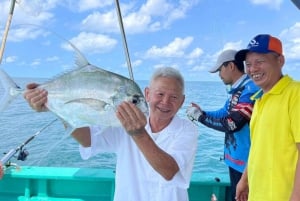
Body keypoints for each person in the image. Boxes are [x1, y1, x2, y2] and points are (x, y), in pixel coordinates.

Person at [24, 67, 199, 201]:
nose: (165, 102)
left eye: (174, 97)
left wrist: (138, 134)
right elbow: (87, 139)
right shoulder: (121, 120)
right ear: (147, 94)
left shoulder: (187, 130)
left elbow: (169, 171)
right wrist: (54, 107)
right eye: (160, 94)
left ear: (182, 101)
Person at [186, 49, 259, 201]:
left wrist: (199, 117)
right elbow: (223, 113)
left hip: (248, 166)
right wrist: (203, 112)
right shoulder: (237, 91)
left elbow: (231, 124)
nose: (219, 75)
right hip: (235, 161)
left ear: (231, 66)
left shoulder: (250, 89)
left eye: (220, 69)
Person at [234, 34, 300, 201]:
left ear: (280, 61)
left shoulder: (295, 94)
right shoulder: (259, 98)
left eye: (259, 62)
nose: (253, 69)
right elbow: (257, 147)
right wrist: (244, 179)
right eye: (248, 64)